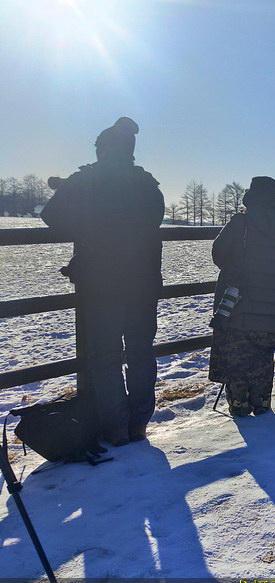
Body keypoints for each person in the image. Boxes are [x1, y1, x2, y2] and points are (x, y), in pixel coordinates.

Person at [41, 117, 165, 446]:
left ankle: (116, 427)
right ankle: (139, 423)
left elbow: (51, 216)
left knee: (106, 355)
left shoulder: (88, 180)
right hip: (143, 282)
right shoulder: (147, 184)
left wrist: (86, 221)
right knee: (140, 351)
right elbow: (152, 220)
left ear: (102, 150)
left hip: (102, 283)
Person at [208, 177, 275, 416]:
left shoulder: (242, 221)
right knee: (263, 356)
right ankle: (262, 404)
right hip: (273, 303)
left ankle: (240, 406)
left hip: (242, 303)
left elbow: (218, 253)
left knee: (238, 356)